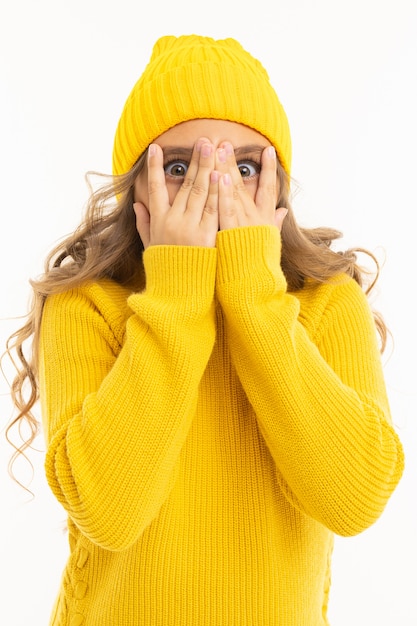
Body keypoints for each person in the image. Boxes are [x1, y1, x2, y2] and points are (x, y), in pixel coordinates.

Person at [5, 34, 404, 625]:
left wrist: (253, 295)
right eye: (178, 167)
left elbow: (355, 500)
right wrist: (177, 289)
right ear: (137, 187)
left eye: (244, 166)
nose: (213, 190)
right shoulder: (86, 305)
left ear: (278, 189)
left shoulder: (325, 302)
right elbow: (109, 513)